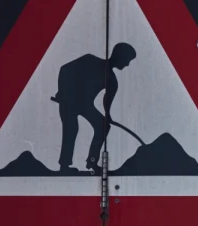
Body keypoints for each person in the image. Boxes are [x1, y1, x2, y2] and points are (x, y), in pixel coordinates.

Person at [50, 43, 137, 174]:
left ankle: (92, 162)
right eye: (127, 60)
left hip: (85, 105)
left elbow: (107, 100)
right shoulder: (90, 60)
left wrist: (107, 115)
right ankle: (64, 165)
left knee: (103, 126)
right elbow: (65, 69)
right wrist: (62, 91)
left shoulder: (112, 81)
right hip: (68, 101)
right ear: (120, 57)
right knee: (71, 128)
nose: (127, 64)